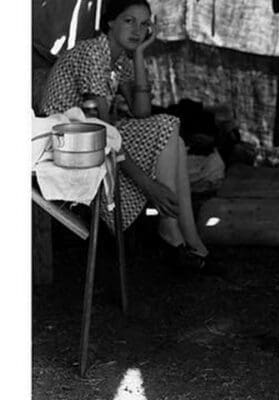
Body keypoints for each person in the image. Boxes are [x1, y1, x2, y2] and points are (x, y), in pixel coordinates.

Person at [40, 0, 209, 269]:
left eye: (144, 25)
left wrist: (140, 53)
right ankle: (174, 234)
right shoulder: (93, 53)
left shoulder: (119, 61)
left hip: (89, 137)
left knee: (172, 136)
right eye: (129, 21)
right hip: (63, 143)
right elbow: (105, 132)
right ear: (110, 22)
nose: (137, 30)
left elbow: (141, 111)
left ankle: (192, 242)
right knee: (168, 126)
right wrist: (147, 184)